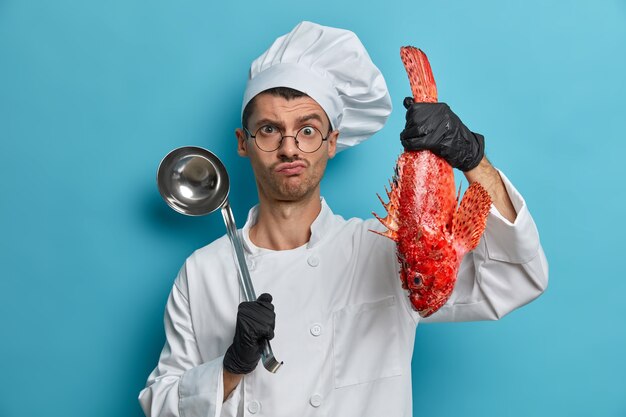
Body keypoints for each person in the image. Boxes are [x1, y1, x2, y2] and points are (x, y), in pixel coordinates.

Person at [139, 21, 548, 417]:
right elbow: (159, 405)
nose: (289, 148)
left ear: (332, 142)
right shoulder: (202, 273)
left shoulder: (390, 255)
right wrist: (230, 368)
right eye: (268, 130)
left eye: (308, 130)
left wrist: (473, 160)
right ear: (242, 144)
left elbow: (516, 278)